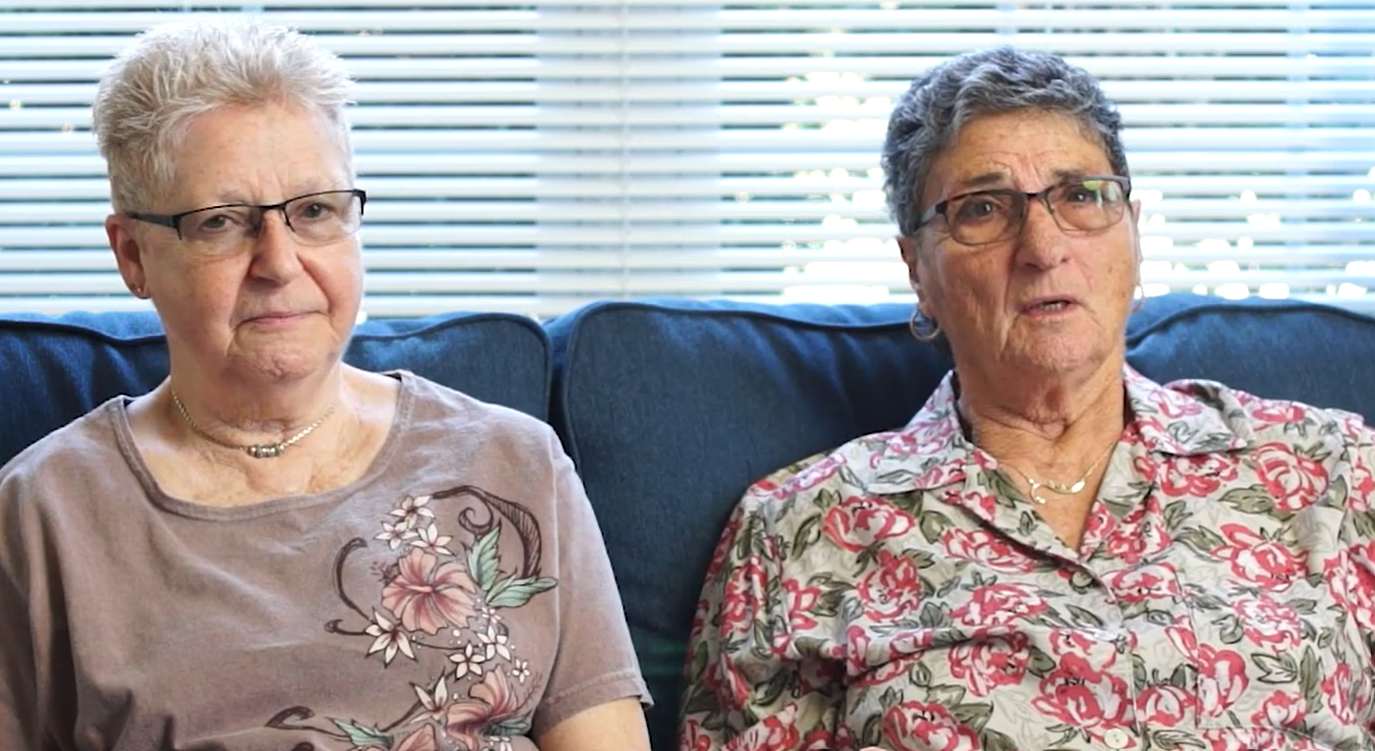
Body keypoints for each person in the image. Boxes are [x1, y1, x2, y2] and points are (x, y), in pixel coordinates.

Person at [679, 46, 1375, 751]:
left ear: (1133, 232)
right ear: (917, 270)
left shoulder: (1330, 470)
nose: (1043, 247)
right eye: (983, 209)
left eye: (1080, 195)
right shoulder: (798, 531)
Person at [0, 19, 650, 751]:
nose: (280, 262)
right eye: (221, 222)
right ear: (132, 255)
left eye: (314, 211)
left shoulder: (517, 463)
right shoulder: (47, 511)